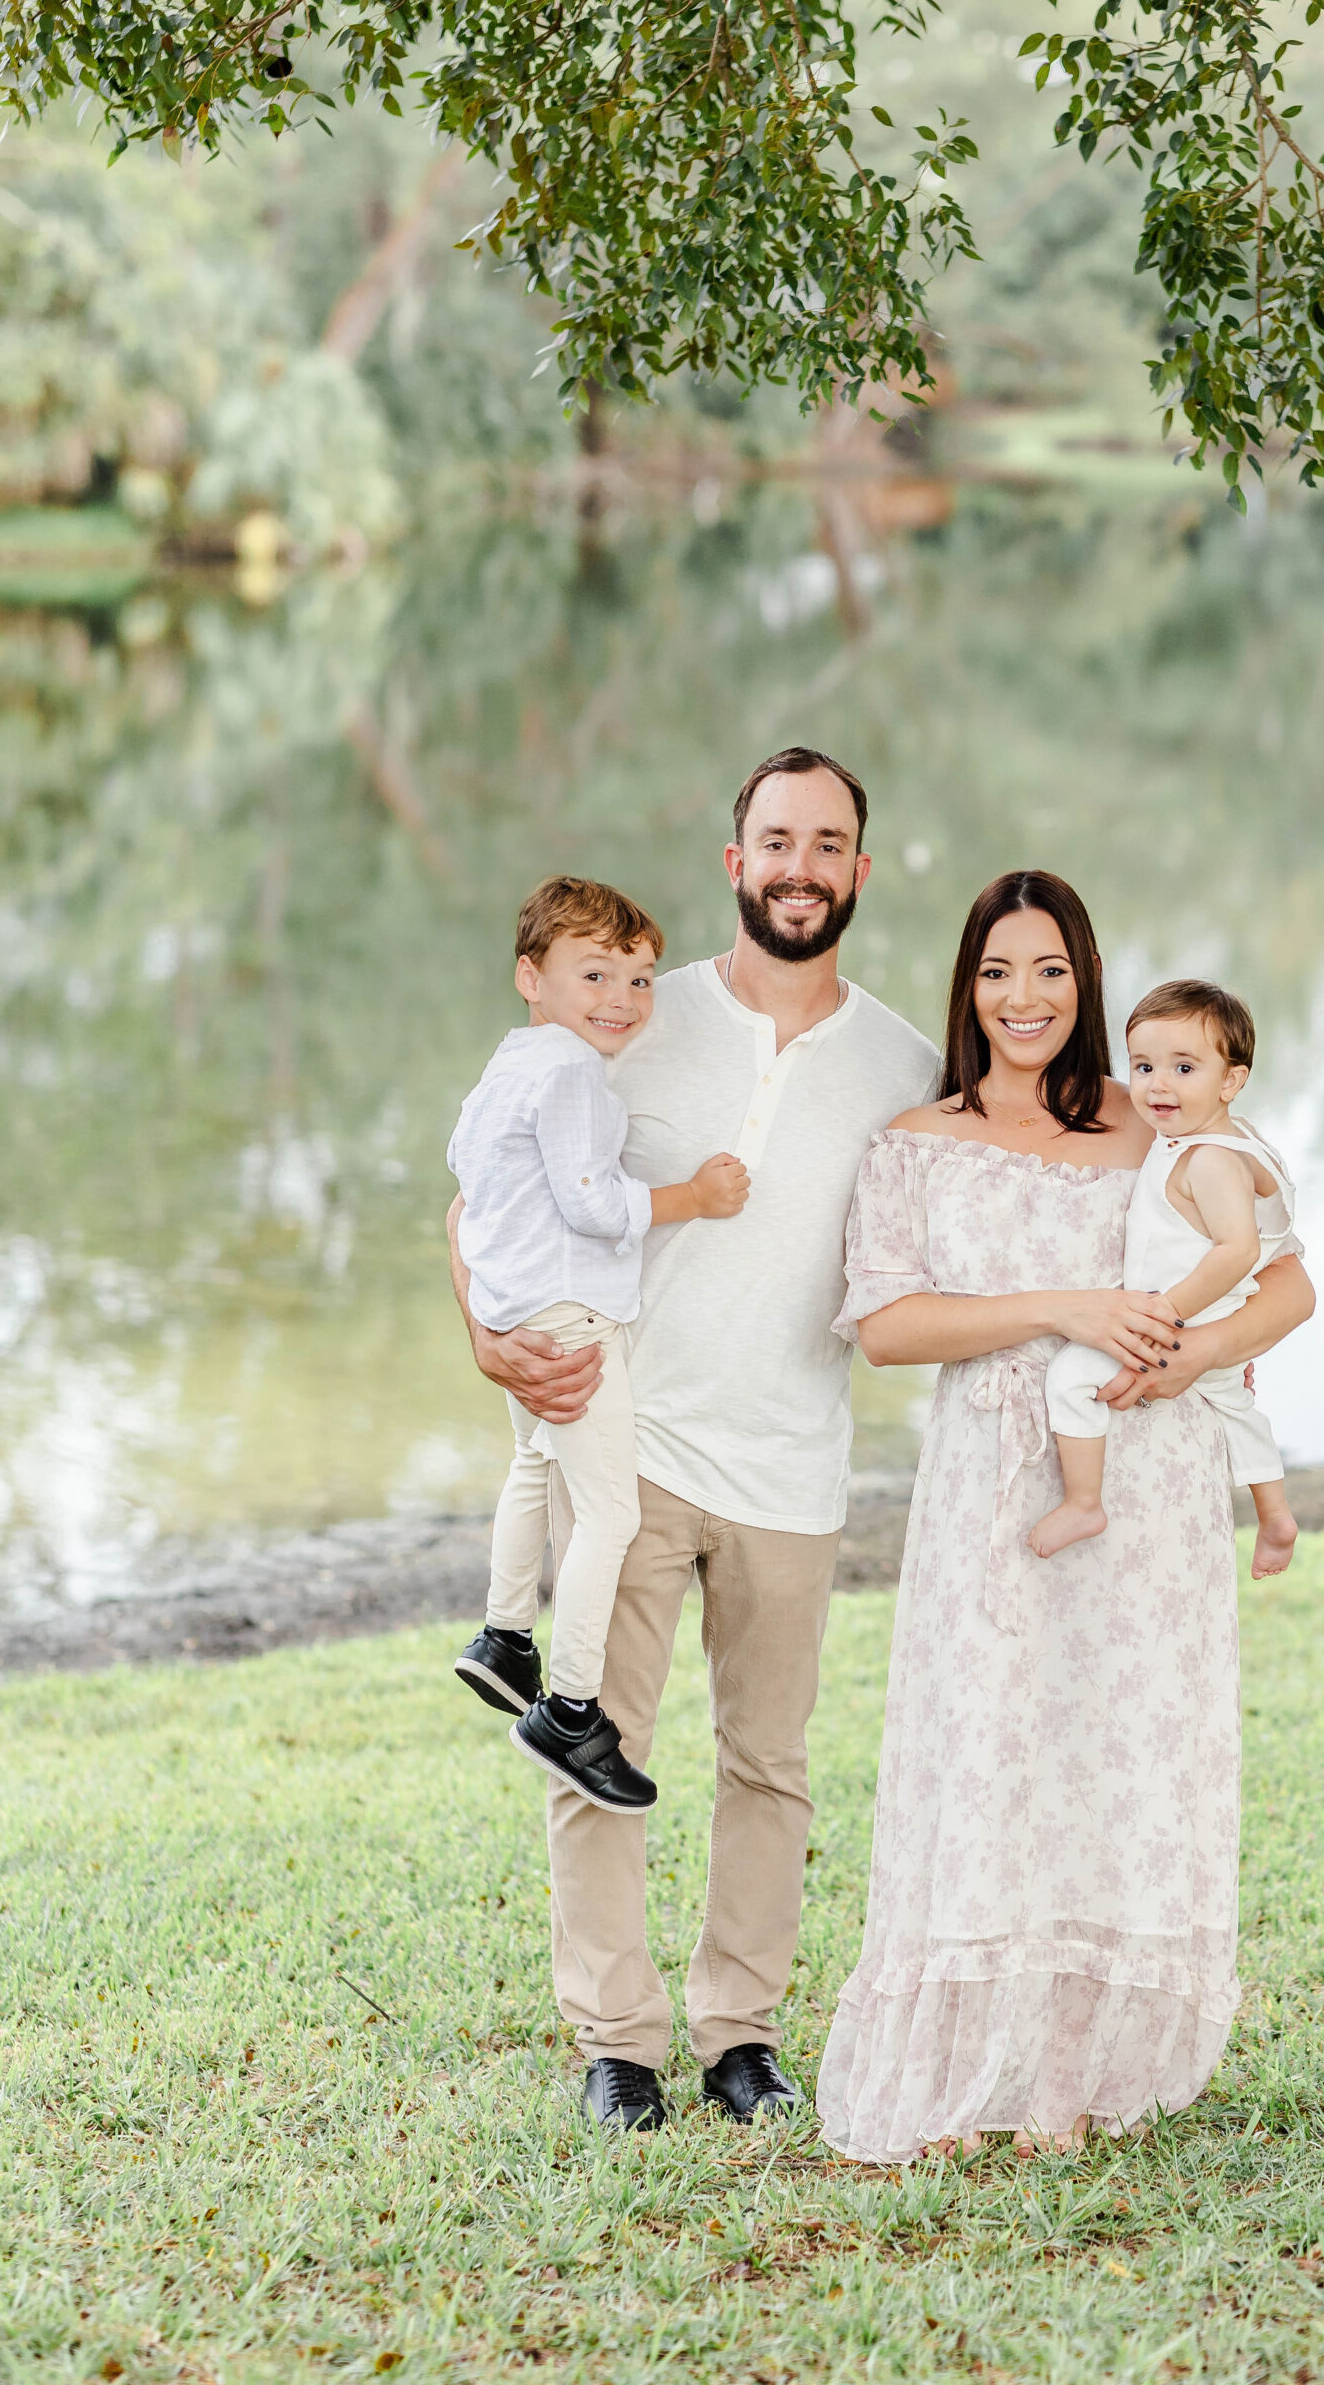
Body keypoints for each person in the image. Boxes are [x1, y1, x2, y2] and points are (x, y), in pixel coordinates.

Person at [446, 748, 938, 2134]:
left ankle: (740, 2032)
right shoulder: (618, 1015)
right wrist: (488, 1340)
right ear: (735, 862)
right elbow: (480, 1196)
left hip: (793, 1465)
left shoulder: (904, 1063)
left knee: (768, 1766)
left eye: (825, 842)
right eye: (773, 840)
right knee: (592, 1748)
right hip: (632, 1443)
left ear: (855, 868)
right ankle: (614, 2038)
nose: (798, 865)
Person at [815, 871, 1314, 2165]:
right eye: (995, 971)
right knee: (988, 1750)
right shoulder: (911, 1141)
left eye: (1046, 971)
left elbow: (1284, 1280)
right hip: (987, 1487)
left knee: (1110, 1754)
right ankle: (965, 2071)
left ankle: (1077, 2077)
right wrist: (1062, 1306)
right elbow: (882, 1330)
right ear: (965, 985)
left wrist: (1194, 1356)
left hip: (1140, 1485)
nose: (1020, 998)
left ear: (1083, 980)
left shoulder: (1154, 1118)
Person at [445, 873, 750, 1812]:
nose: (620, 1000)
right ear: (530, 977)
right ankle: (570, 1711)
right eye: (594, 976)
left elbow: (468, 1179)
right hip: (570, 1318)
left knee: (532, 1466)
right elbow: (590, 1200)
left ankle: (502, 1638)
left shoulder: (508, 1066)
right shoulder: (573, 1071)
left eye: (639, 979)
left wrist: (488, 1307)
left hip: (513, 1308)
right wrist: (691, 1198)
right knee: (611, 1516)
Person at [1031, 978, 1300, 1579]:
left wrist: (1166, 1314)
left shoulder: (1208, 1159)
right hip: (1209, 1320)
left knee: (1073, 1375)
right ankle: (1274, 1514)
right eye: (1145, 1065)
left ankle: (1082, 1502)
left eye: (1184, 1067)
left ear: (1231, 1080)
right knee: (1235, 1406)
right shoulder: (1212, 1138)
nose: (1157, 1084)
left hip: (1182, 1318)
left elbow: (1237, 1250)